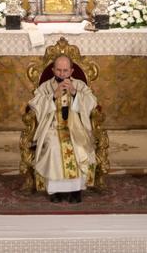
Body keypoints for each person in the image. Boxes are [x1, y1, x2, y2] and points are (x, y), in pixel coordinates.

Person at [29, 54, 99, 202]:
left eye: (65, 70)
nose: (62, 74)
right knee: (54, 147)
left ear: (71, 71)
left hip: (76, 128)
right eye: (59, 70)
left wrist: (75, 93)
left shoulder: (79, 85)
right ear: (53, 70)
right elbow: (35, 103)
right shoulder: (46, 86)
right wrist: (53, 96)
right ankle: (56, 191)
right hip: (53, 128)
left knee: (79, 147)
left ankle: (76, 190)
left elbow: (92, 101)